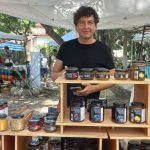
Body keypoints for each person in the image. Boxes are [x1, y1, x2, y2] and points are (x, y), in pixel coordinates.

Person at [51, 6, 115, 105]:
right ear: (76, 26)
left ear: (95, 26)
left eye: (90, 22)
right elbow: (54, 76)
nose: (86, 27)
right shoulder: (65, 47)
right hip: (67, 106)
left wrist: (94, 88)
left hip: (93, 107)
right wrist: (62, 74)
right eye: (82, 22)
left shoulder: (104, 49)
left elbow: (112, 80)